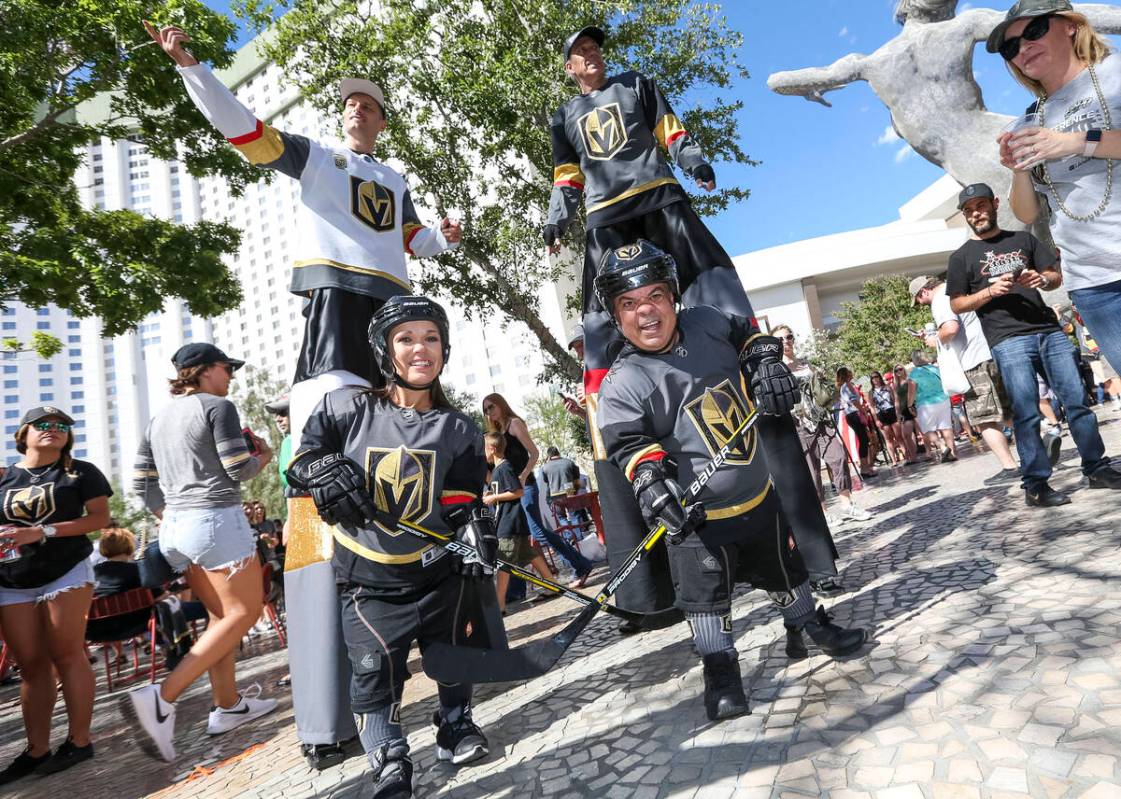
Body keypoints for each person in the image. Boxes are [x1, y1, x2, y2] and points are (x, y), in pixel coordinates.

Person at [145, 20, 463, 769]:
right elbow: (246, 132)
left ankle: (440, 662)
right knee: (318, 479)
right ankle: (328, 714)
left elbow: (416, 242)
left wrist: (443, 236)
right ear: (340, 116)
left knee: (420, 459)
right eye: (349, 102)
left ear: (383, 121)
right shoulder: (318, 160)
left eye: (369, 104)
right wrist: (191, 66)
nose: (357, 108)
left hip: (393, 317)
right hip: (333, 320)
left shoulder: (393, 180)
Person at [546, 26, 843, 621]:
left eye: (596, 49)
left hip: (660, 202)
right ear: (570, 67)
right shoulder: (565, 115)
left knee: (715, 288)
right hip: (607, 222)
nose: (591, 59)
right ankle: (647, 593)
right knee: (606, 334)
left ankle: (804, 552)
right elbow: (568, 174)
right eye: (580, 54)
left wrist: (693, 160)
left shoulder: (637, 85)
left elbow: (669, 129)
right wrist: (558, 214)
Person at [593, 241, 864, 722]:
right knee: (706, 601)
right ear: (616, 316)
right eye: (629, 304)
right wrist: (651, 481)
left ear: (673, 296)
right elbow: (628, 446)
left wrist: (765, 362)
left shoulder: (706, 321)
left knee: (786, 571)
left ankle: (806, 625)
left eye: (655, 295)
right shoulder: (622, 382)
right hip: (698, 521)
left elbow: (750, 335)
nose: (646, 311)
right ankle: (720, 668)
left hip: (757, 497)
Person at [286, 296, 499, 798]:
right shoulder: (344, 407)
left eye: (431, 338)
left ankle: (455, 725)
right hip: (368, 582)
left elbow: (461, 496)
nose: (420, 349)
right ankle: (388, 757)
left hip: (437, 573)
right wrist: (320, 469)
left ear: (444, 349)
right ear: (384, 350)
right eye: (405, 338)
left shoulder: (460, 428)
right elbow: (301, 460)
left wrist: (473, 526)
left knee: (454, 655)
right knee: (374, 672)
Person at [127, 343, 278, 761]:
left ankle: (228, 706)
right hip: (216, 519)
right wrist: (262, 457)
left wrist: (166, 513)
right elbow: (237, 468)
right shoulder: (217, 406)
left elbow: (140, 480)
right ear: (205, 370)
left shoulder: (157, 419)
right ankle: (162, 697)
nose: (231, 376)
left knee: (218, 617)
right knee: (243, 613)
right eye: (227, 368)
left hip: (177, 526)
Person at [947, 182, 1121, 506]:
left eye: (981, 206)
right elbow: (956, 304)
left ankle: (1096, 467)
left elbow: (1054, 275)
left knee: (1076, 402)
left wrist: (1042, 280)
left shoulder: (1022, 239)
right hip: (1007, 339)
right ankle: (1036, 485)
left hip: (1048, 330)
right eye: (969, 210)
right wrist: (988, 292)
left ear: (994, 204)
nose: (976, 213)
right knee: (1026, 413)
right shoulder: (961, 258)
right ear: (965, 216)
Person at [992, 0, 1121, 378]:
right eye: (1010, 46)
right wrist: (1017, 170)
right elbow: (1029, 214)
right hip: (1093, 284)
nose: (1023, 48)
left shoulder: (1115, 73)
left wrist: (1075, 142)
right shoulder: (1027, 121)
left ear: (1069, 25)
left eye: (1033, 31)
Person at [0, 407, 110, 783]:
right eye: (43, 425)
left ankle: (79, 741)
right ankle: (36, 750)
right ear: (23, 433)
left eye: (62, 426)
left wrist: (41, 532)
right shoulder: (3, 478)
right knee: (30, 665)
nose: (54, 430)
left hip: (65, 571)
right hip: (12, 578)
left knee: (67, 652)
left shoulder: (80, 472)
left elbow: (99, 520)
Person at [912, 274, 1020, 483]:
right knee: (1005, 410)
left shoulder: (940, 299)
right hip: (989, 353)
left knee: (983, 419)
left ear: (924, 291)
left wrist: (936, 340)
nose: (920, 304)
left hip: (973, 362)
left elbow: (951, 329)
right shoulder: (957, 289)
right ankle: (1042, 435)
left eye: (918, 300)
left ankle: (1009, 467)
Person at [481, 393, 592, 589]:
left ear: (500, 404)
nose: (489, 412)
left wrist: (523, 476)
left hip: (526, 486)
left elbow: (534, 453)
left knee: (538, 533)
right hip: (511, 492)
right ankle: (547, 583)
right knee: (522, 539)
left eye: (491, 406)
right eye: (485, 410)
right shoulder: (496, 433)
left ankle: (580, 565)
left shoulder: (514, 424)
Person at [773, 325, 872, 527]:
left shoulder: (806, 365)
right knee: (812, 471)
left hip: (821, 420)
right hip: (798, 425)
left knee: (839, 456)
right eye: (781, 339)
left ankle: (846, 504)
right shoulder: (776, 370)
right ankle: (823, 512)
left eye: (789, 337)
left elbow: (823, 393)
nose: (786, 342)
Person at [482, 433, 556, 615]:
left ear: (491, 449)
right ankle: (552, 585)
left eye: (483, 449)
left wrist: (494, 498)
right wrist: (491, 496)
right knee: (528, 554)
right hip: (511, 521)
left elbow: (518, 492)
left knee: (502, 562)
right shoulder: (498, 470)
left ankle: (499, 605)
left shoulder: (504, 468)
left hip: (509, 522)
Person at [908, 351, 958, 463]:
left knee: (926, 429)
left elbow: (911, 391)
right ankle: (952, 453)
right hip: (943, 400)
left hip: (926, 404)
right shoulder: (935, 369)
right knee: (946, 427)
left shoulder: (915, 373)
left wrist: (909, 404)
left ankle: (943, 447)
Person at [835, 368, 878, 477]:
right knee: (863, 440)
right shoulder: (847, 385)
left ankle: (866, 467)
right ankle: (865, 468)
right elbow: (854, 400)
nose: (851, 372)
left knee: (863, 439)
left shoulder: (843, 387)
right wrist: (863, 411)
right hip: (854, 414)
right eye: (849, 371)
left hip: (850, 415)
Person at [868, 371, 905, 467]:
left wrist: (897, 412)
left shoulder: (888, 388)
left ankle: (907, 456)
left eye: (876, 377)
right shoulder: (871, 392)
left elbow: (895, 400)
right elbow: (872, 407)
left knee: (899, 436)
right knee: (888, 439)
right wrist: (876, 420)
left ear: (880, 377)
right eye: (872, 378)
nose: (875, 379)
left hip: (892, 411)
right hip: (881, 415)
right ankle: (893, 460)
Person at [892, 366, 922, 464]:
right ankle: (913, 457)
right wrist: (897, 413)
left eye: (900, 369)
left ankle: (931, 451)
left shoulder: (910, 380)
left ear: (904, 370)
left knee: (922, 430)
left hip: (913, 407)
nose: (899, 371)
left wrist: (912, 406)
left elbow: (915, 394)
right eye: (896, 370)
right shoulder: (895, 385)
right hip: (903, 410)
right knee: (906, 434)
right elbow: (896, 400)